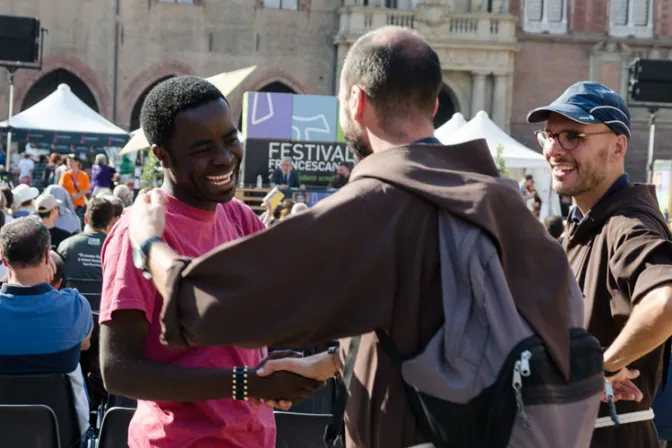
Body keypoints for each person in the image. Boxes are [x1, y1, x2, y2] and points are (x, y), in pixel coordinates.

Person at [126, 27, 594, 447]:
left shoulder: (378, 204)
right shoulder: (503, 199)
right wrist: (330, 363)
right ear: (433, 105)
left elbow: (213, 302)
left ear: (357, 102)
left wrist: (151, 244)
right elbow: (435, 323)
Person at [99, 76, 322, 448]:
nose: (224, 156)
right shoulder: (137, 231)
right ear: (162, 156)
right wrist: (244, 381)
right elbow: (118, 371)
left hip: (253, 436)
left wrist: (266, 359)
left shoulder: (237, 215)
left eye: (230, 139)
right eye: (202, 147)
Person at [527, 80, 672, 447]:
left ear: (617, 146)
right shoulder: (585, 223)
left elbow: (667, 301)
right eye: (549, 136)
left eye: (573, 136)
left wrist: (602, 368)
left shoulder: (628, 223)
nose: (555, 149)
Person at [0, 218, 93, 439]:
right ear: (45, 257)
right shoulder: (74, 306)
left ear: (4, 260)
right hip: (60, 434)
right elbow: (85, 343)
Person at [59, 155, 91, 222]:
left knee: (80, 223)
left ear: (77, 162)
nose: (69, 163)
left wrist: (76, 196)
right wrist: (71, 199)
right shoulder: (65, 175)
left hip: (80, 205)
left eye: (71, 161)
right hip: (68, 206)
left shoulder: (84, 175)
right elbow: (61, 189)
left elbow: (87, 189)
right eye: (67, 162)